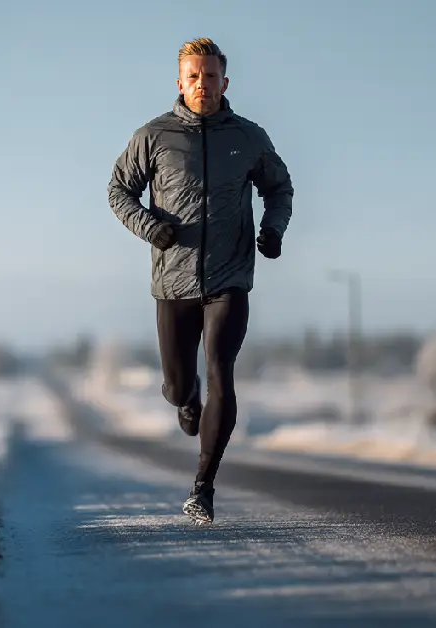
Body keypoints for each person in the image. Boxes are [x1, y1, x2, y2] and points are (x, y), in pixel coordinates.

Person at [106, 37, 294, 523]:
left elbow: (279, 187)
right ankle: (184, 401)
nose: (203, 85)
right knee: (177, 385)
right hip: (173, 283)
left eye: (211, 76)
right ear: (180, 82)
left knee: (220, 371)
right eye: (194, 76)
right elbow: (119, 191)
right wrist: (151, 227)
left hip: (230, 277)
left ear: (224, 82)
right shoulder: (155, 135)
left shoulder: (248, 137)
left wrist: (273, 229)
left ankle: (202, 487)